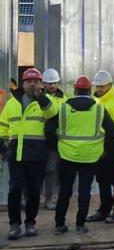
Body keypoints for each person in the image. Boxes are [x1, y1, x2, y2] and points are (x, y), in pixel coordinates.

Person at [51, 76, 114, 235]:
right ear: (90, 91)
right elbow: (112, 131)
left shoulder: (62, 108)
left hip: (67, 155)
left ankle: (59, 224)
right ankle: (80, 225)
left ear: (75, 90)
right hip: (90, 157)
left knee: (65, 190)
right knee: (84, 191)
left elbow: (49, 130)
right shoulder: (99, 109)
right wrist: (104, 149)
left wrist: (58, 146)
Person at [1, 68, 58, 239]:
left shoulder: (46, 101)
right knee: (15, 190)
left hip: (37, 154)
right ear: (23, 84)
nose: (32, 84)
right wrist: (2, 146)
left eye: (36, 81)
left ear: (41, 84)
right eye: (29, 81)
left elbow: (53, 112)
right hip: (16, 154)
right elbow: (3, 125)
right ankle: (14, 225)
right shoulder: (12, 103)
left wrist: (41, 97)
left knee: (34, 191)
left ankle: (30, 223)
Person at [86, 70, 114, 224]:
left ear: (110, 85)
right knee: (102, 180)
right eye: (97, 86)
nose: (98, 89)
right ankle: (104, 209)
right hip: (100, 146)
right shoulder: (99, 101)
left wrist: (111, 138)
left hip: (112, 145)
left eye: (101, 86)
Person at [40, 68, 65, 210]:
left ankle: (50, 198)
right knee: (35, 170)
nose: (52, 86)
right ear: (43, 83)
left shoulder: (64, 99)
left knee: (51, 170)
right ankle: (35, 196)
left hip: (55, 141)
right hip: (38, 139)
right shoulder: (38, 98)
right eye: (49, 83)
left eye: (54, 83)